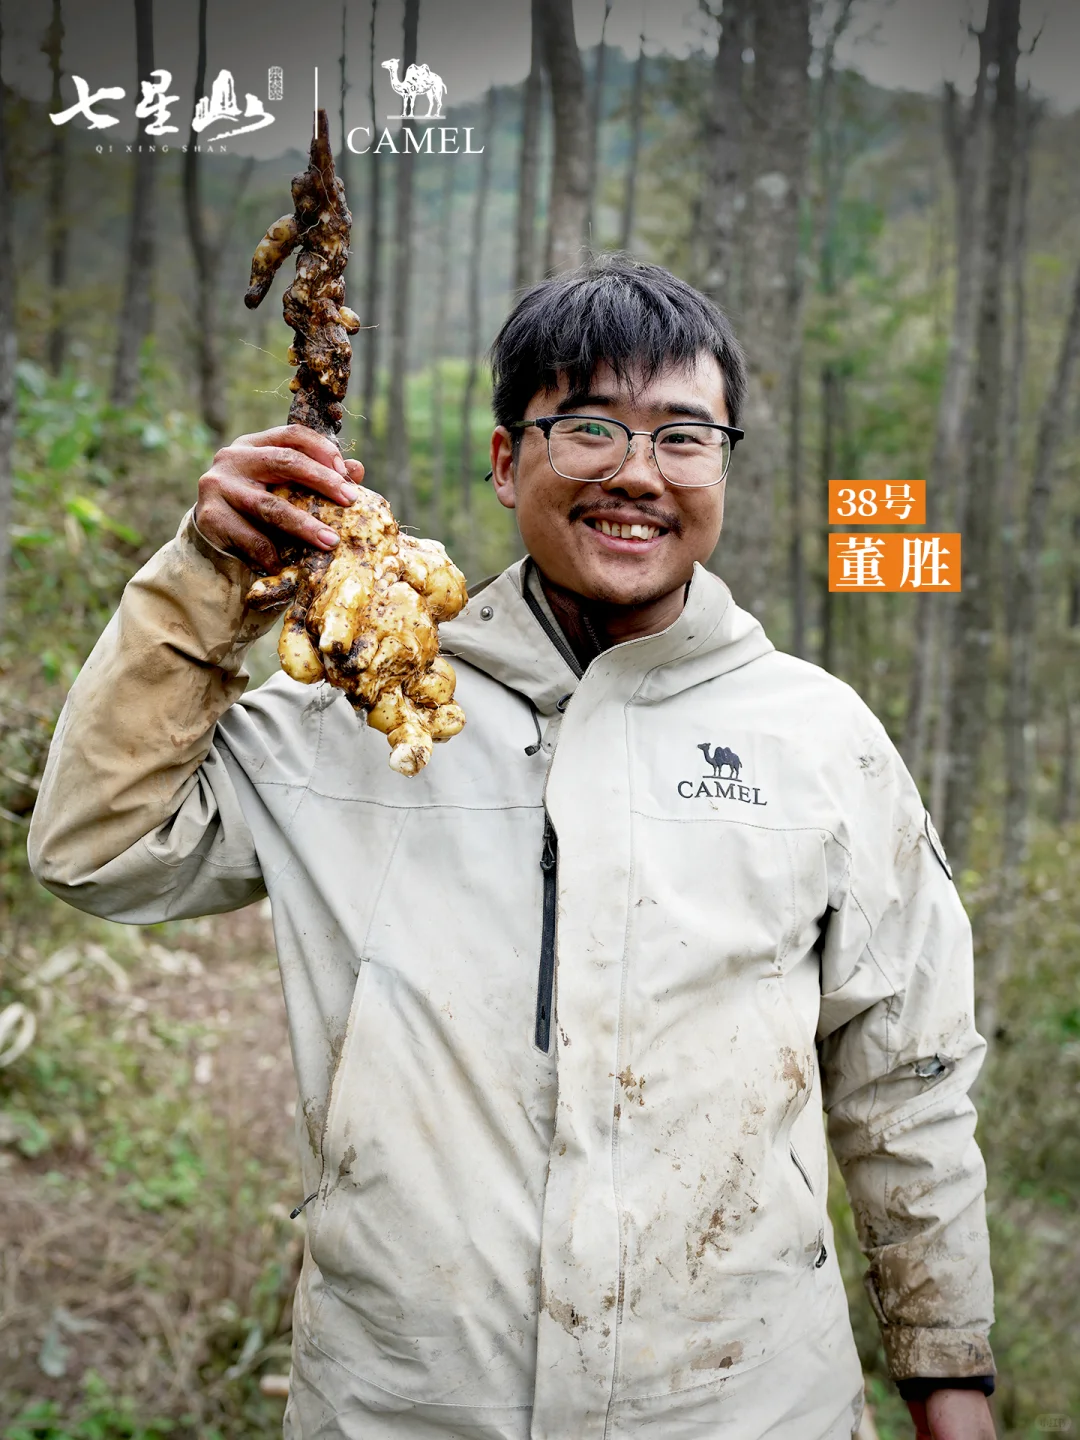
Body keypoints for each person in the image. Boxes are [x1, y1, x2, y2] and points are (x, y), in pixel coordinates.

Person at [28, 257, 996, 1440]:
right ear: (505, 462)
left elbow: (909, 1081)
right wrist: (202, 580)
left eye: (684, 436)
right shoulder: (365, 709)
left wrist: (950, 1381)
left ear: (724, 465)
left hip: (744, 1407)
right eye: (588, 426)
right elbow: (95, 845)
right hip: (405, 1406)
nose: (637, 473)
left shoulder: (820, 741)